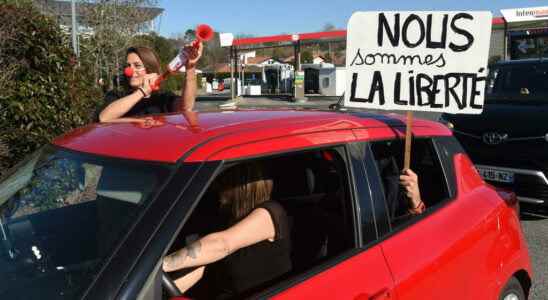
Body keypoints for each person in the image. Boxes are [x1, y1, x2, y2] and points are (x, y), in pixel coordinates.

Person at [162, 162, 292, 298]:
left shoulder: (270, 213)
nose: (215, 186)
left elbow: (221, 244)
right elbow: (199, 265)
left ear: (240, 186)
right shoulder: (225, 219)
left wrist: (160, 265)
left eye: (222, 181)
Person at [98, 44, 203, 123]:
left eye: (137, 66)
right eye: (128, 65)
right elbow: (104, 118)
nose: (130, 70)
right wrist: (142, 92)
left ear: (150, 69)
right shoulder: (116, 95)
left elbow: (186, 107)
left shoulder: (163, 98)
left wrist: (190, 67)